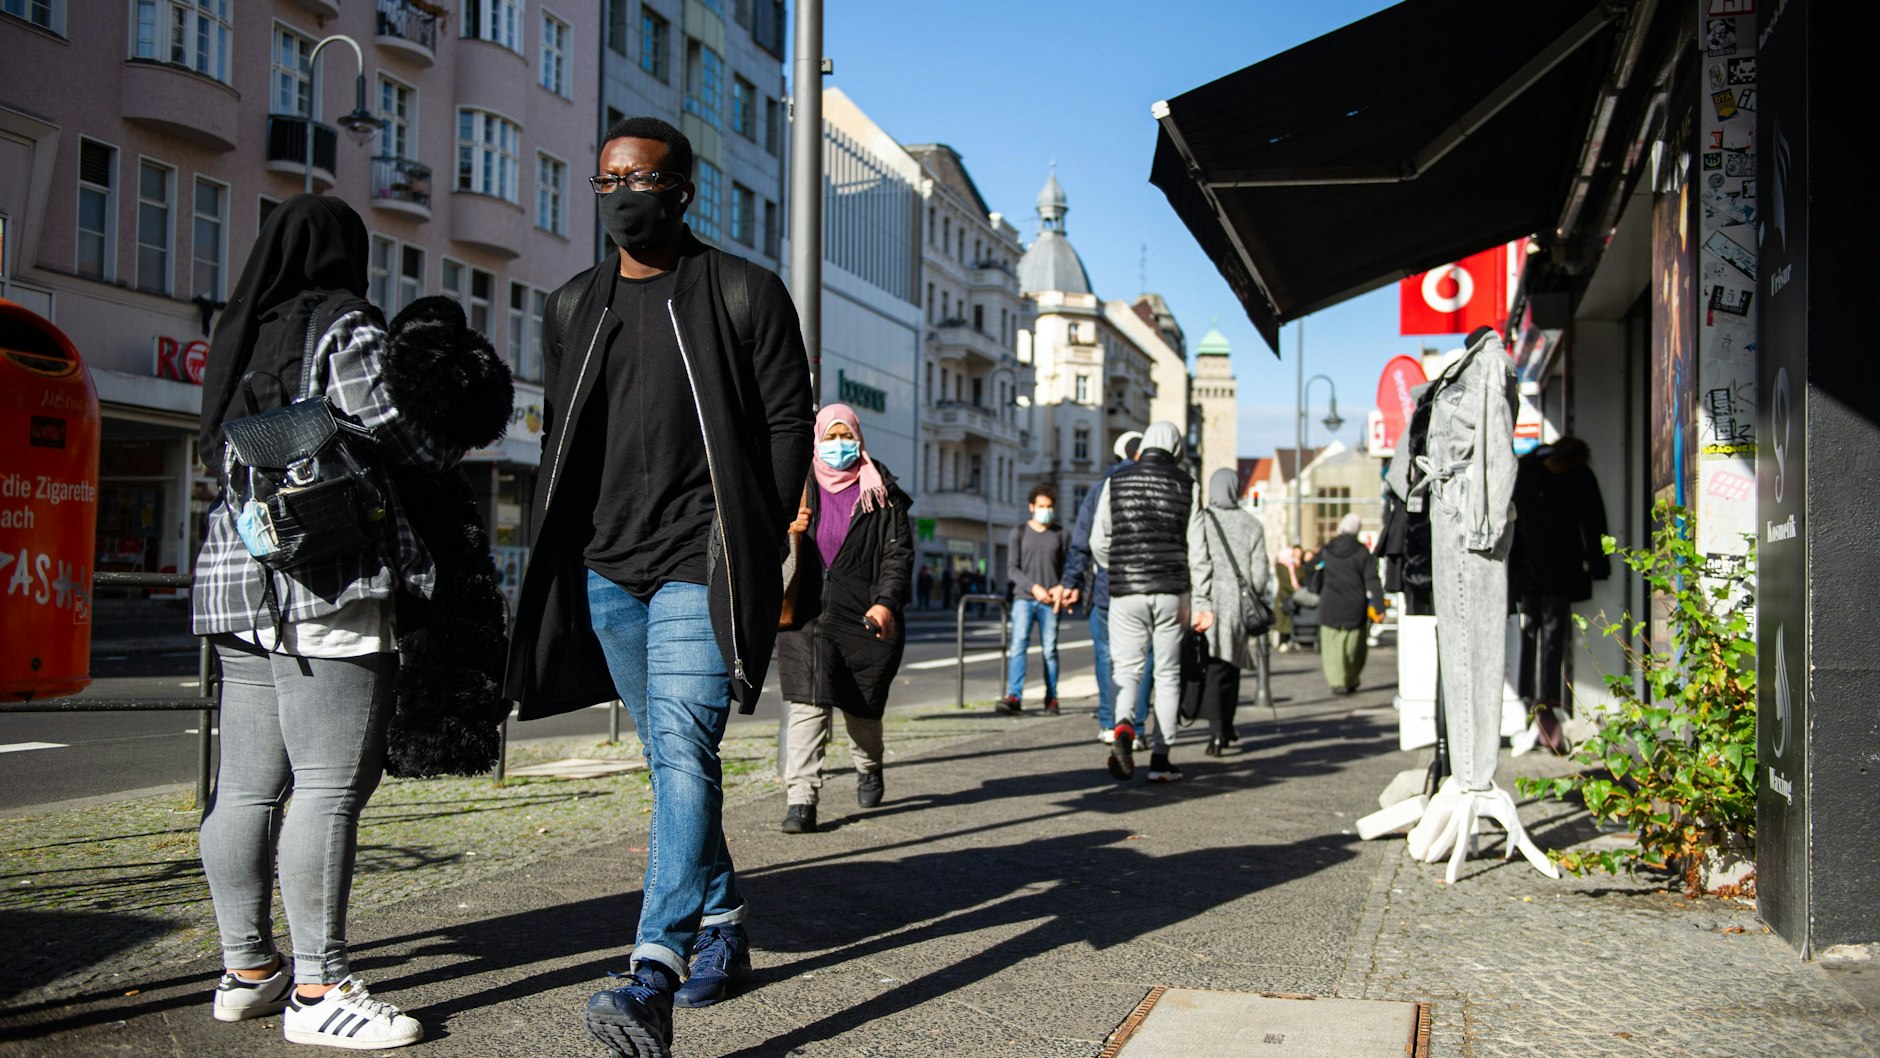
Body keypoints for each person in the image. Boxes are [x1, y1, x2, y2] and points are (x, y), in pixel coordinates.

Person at [502, 117, 813, 1056]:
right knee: (672, 760)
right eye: (607, 180)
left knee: (683, 749)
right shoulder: (572, 304)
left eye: (639, 179)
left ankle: (652, 974)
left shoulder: (741, 291)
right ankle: (724, 923)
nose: (621, 195)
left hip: (698, 562)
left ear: (681, 191)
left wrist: (756, 533)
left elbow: (788, 420)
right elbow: (563, 429)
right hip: (608, 567)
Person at [192, 195, 481, 1050]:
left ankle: (247, 971)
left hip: (237, 575)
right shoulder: (342, 321)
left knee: (244, 788)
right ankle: (320, 989)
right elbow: (398, 428)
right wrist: (448, 429)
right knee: (328, 785)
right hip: (329, 575)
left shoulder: (241, 330)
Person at [776, 404, 913, 834]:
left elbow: (898, 556)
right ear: (817, 440)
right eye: (831, 437)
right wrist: (788, 529)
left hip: (864, 618)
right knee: (808, 705)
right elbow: (760, 539)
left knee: (862, 712)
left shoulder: (883, 492)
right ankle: (801, 799)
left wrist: (886, 603)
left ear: (859, 437)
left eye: (846, 436)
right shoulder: (794, 485)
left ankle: (869, 766)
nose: (839, 445)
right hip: (807, 616)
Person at [1090, 421, 1214, 783]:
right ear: (1176, 449)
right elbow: (1199, 551)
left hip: (1126, 591)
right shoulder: (1187, 485)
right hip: (1173, 592)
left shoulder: (1116, 482)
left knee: (1127, 669)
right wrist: (1203, 601)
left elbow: (1099, 541)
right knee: (1168, 674)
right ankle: (1161, 759)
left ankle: (1123, 726)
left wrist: (1119, 566)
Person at [1509, 436, 1610, 753]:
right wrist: (1599, 565)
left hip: (1528, 569)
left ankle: (1528, 702)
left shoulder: (1524, 470)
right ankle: (1547, 705)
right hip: (1562, 568)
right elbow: (1593, 520)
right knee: (1553, 638)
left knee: (1528, 634)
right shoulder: (1578, 473)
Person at [1062, 431, 1151, 745]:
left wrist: (1071, 582)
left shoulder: (1102, 487)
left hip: (1106, 585)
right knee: (1144, 657)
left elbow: (1083, 540)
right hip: (1147, 584)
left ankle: (1109, 723)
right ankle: (1136, 728)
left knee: (1105, 655)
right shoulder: (1156, 484)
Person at [1193, 469, 1270, 755]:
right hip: (1238, 605)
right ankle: (1227, 724)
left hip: (1206, 601)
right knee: (1232, 664)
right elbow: (1260, 575)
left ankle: (1215, 732)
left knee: (1212, 665)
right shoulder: (1252, 524)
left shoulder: (1201, 520)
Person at [1000, 484, 1070, 715]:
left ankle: (1052, 698)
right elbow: (1012, 569)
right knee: (1019, 645)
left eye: (1049, 507)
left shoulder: (1061, 535)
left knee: (1050, 650)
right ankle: (1014, 696)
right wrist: (1033, 587)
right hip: (1024, 598)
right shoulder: (1019, 532)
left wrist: (1062, 587)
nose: (1045, 511)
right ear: (1031, 507)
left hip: (1051, 601)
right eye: (1041, 506)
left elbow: (1070, 568)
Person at [1310, 513, 1385, 694]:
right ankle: (1351, 678)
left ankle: (1337, 681)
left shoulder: (1327, 549)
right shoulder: (1362, 552)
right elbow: (1372, 580)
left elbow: (1310, 566)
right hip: (1355, 604)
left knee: (1331, 646)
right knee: (1354, 646)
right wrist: (1379, 606)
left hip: (1330, 603)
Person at [1273, 545, 1301, 651]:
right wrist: (1294, 588)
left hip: (1292, 597)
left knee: (1289, 620)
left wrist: (1296, 566)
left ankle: (1290, 641)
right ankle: (1283, 642)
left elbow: (1301, 576)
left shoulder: (1294, 566)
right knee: (1283, 621)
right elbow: (1284, 582)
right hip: (1283, 597)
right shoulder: (1280, 566)